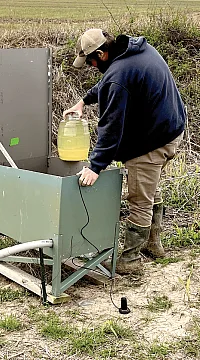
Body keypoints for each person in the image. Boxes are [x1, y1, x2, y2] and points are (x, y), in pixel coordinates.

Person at [64, 28, 186, 274]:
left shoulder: (118, 74)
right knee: (149, 188)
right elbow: (110, 80)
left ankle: (130, 261)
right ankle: (153, 244)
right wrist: (84, 101)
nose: (90, 65)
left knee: (139, 200)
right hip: (171, 131)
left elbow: (111, 126)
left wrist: (96, 166)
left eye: (90, 61)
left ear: (101, 53)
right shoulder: (134, 51)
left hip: (153, 142)